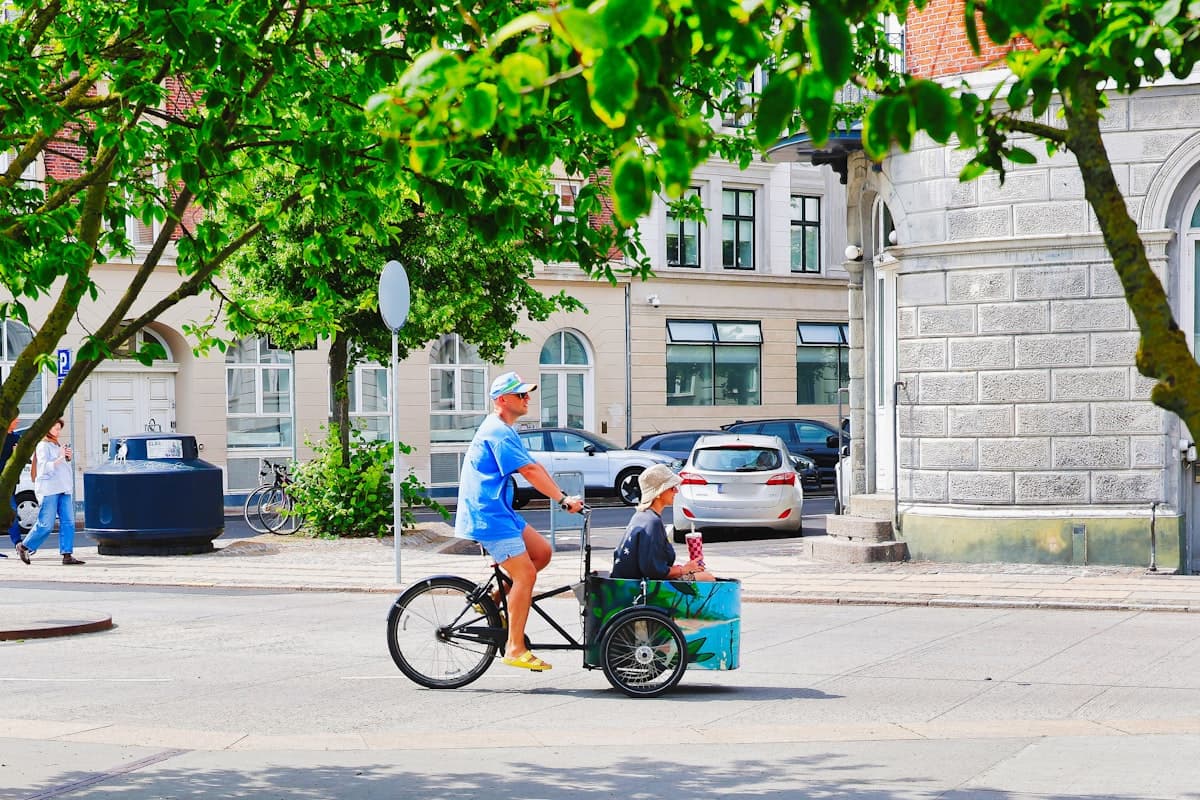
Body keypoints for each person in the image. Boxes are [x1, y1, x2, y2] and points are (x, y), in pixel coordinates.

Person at [455, 371, 583, 671]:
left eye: (527, 394)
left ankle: (492, 598)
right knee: (525, 575)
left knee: (542, 553)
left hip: (500, 510)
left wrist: (562, 495)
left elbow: (533, 466)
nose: (528, 399)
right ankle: (514, 648)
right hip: (487, 515)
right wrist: (563, 500)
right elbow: (529, 471)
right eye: (521, 394)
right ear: (502, 400)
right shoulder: (497, 432)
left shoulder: (505, 429)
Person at [612, 463, 714, 582]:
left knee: (704, 577)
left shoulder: (641, 516)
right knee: (708, 579)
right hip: (640, 590)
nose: (676, 491)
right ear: (659, 493)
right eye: (672, 487)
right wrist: (685, 570)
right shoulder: (652, 522)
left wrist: (686, 568)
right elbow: (654, 571)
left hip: (625, 585)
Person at [16, 418, 84, 565]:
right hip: (49, 490)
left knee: (68, 522)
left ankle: (67, 554)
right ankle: (24, 546)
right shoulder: (42, 445)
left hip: (64, 488)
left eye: (59, 429)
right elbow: (43, 468)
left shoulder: (56, 444)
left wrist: (67, 457)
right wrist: (60, 457)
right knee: (46, 524)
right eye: (55, 428)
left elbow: (62, 466)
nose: (58, 431)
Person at [0, 417, 23, 556]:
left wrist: (17, 453)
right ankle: (18, 543)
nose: (18, 421)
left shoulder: (16, 437)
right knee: (12, 509)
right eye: (15, 419)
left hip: (10, 481)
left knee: (11, 510)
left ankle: (18, 544)